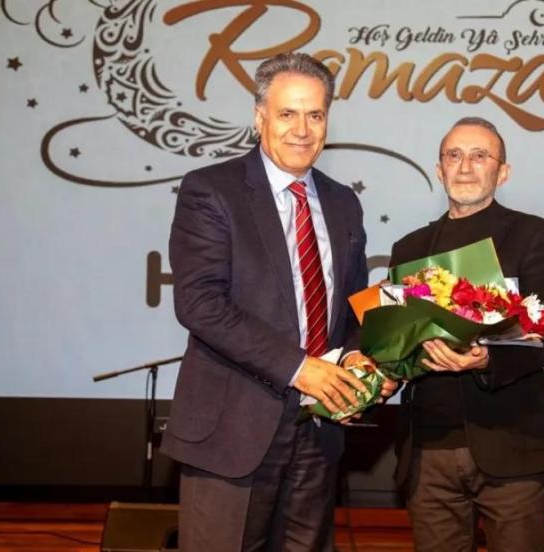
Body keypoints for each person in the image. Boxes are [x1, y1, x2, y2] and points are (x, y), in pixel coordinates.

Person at [162, 52, 392, 552]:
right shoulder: (211, 190)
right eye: (287, 113)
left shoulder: (342, 202)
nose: (302, 130)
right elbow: (199, 303)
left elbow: (353, 304)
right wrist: (300, 369)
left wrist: (356, 357)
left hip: (318, 432)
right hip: (232, 431)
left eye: (315, 114)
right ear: (259, 117)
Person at [388, 117, 544, 551]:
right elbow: (396, 340)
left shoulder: (533, 235)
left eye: (479, 156)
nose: (465, 166)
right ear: (439, 170)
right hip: (427, 449)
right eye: (454, 155)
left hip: (513, 443)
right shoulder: (408, 248)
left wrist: (488, 357)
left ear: (502, 172)